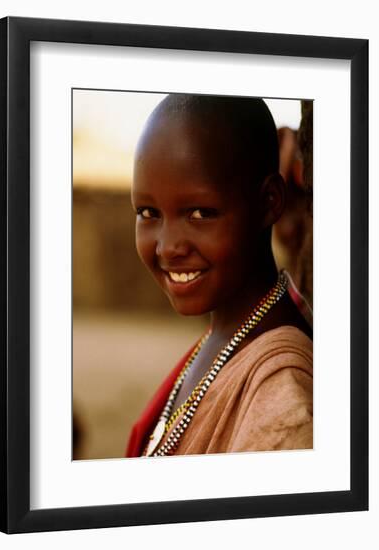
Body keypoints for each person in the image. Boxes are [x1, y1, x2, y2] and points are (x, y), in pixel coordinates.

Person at [126, 94, 313, 458]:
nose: (167, 247)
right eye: (148, 212)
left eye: (200, 213)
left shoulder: (281, 397)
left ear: (270, 201)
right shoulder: (225, 334)